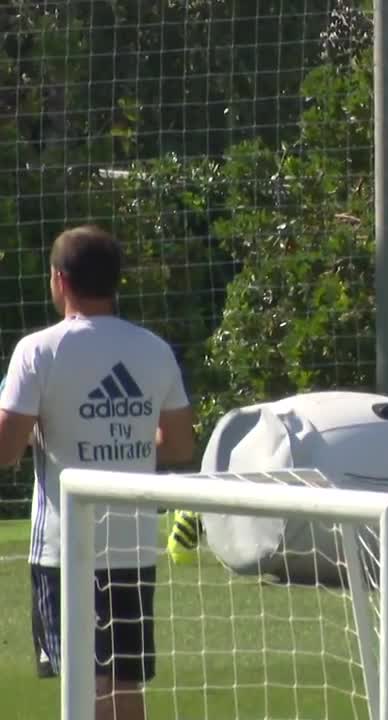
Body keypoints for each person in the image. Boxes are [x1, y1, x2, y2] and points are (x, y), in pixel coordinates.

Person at [0, 226, 196, 719]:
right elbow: (178, 445)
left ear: (59, 280)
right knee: (124, 681)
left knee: (84, 683)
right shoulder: (153, 349)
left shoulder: (39, 350)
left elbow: (5, 450)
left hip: (65, 547)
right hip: (133, 544)